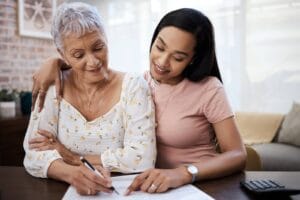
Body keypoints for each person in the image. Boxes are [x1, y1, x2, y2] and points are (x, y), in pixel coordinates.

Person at [31, 7, 246, 195]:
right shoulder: (143, 82)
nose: (162, 62)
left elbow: (237, 154)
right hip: (155, 185)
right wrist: (56, 63)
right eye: (160, 47)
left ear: (193, 59)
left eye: (178, 57)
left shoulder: (209, 89)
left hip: (200, 184)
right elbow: (93, 64)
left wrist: (184, 173)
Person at [23, 2, 156, 196]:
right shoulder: (52, 86)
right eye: (78, 55)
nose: (93, 62)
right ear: (62, 55)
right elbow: (33, 154)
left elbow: (142, 158)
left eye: (98, 47)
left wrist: (71, 157)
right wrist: (70, 174)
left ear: (106, 39)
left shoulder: (134, 86)